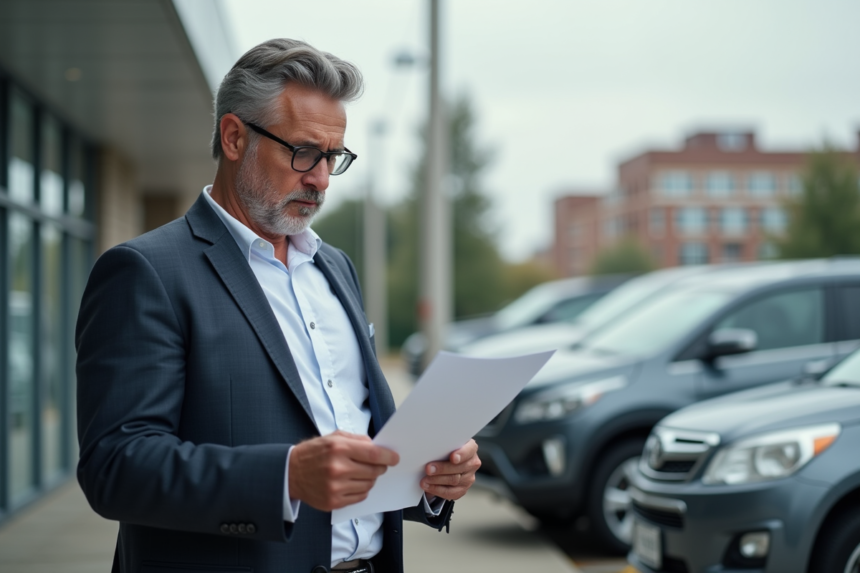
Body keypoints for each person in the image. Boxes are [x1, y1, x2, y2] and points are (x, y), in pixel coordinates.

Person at [75, 38, 481, 573]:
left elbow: (355, 443)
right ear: (235, 136)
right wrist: (285, 477)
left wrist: (428, 478)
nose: (319, 178)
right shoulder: (147, 272)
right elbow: (117, 468)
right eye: (304, 152)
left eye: (332, 157)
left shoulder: (335, 268)